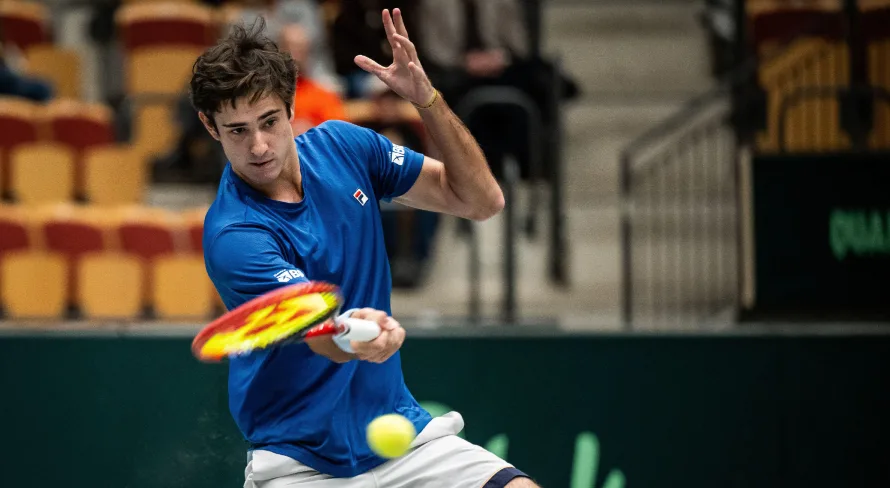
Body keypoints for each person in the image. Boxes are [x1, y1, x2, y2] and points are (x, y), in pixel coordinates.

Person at [190, 10, 537, 488]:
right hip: (299, 464)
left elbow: (482, 201)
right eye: (238, 130)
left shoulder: (345, 147)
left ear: (291, 108)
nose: (259, 145)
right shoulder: (234, 234)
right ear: (211, 127)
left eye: (269, 121)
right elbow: (321, 337)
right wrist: (357, 333)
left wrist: (428, 101)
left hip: (403, 435)